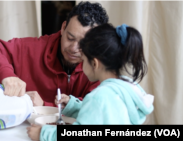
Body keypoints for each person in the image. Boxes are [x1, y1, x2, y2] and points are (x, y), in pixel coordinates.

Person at [26, 23, 154, 140]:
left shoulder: (99, 97)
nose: (81, 64)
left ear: (94, 63)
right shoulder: (129, 88)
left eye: (83, 59)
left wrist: (43, 134)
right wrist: (72, 106)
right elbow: (104, 113)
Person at [0, 2, 109, 106]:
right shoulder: (33, 48)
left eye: (84, 44)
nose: (73, 48)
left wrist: (45, 106)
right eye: (70, 38)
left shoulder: (102, 66)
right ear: (63, 28)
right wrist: (6, 75)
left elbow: (96, 109)